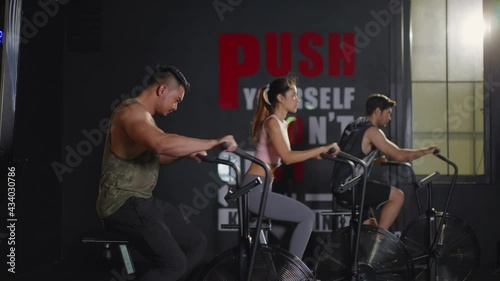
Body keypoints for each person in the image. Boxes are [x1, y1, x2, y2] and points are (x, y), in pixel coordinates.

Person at [96, 65, 238, 281]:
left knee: (196, 242)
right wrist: (214, 142)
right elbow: (159, 144)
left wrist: (185, 153)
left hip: (142, 200)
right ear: (162, 90)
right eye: (176, 100)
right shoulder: (131, 112)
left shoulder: (146, 119)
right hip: (122, 202)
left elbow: (158, 155)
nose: (175, 107)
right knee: (174, 264)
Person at [241, 74, 340, 260]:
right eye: (293, 95)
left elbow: (289, 155)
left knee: (284, 233)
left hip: (262, 188)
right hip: (254, 190)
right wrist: (320, 148)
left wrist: (322, 153)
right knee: (307, 217)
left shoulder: (281, 124)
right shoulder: (272, 123)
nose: (298, 99)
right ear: (280, 98)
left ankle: (278, 273)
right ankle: (292, 274)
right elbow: (287, 157)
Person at [331, 93, 438, 230]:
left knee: (371, 226)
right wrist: (427, 151)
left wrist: (376, 160)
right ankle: (380, 242)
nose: (389, 118)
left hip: (339, 187)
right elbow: (399, 155)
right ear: (377, 111)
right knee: (398, 196)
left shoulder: (354, 125)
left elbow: (354, 152)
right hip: (351, 187)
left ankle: (370, 248)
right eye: (388, 113)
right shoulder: (372, 132)